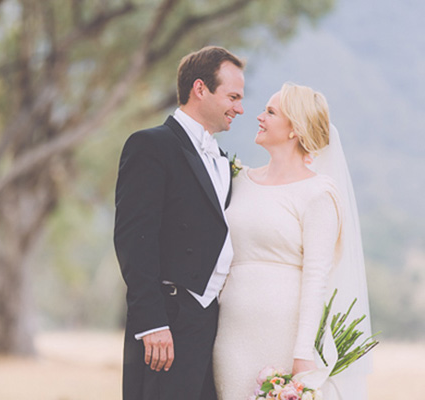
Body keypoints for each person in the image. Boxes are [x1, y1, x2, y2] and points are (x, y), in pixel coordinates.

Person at [212, 82, 372, 399]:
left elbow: (316, 277)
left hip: (282, 335)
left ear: (293, 130)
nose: (258, 117)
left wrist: (302, 354)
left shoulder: (318, 194)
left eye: (270, 112)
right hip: (231, 331)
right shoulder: (240, 180)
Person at [114, 46, 245, 400]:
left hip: (211, 324)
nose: (240, 108)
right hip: (166, 321)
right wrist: (152, 322)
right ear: (200, 89)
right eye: (232, 96)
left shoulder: (220, 159)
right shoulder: (150, 145)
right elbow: (133, 239)